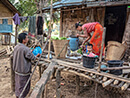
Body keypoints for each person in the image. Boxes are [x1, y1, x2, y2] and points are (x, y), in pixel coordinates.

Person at [13, 33, 40, 98]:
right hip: (23, 72)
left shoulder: (16, 47)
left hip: (17, 71)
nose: (28, 39)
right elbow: (33, 58)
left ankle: (18, 96)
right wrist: (36, 56)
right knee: (23, 89)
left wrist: (29, 52)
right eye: (27, 38)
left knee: (18, 87)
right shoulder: (25, 49)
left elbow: (25, 54)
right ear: (23, 40)